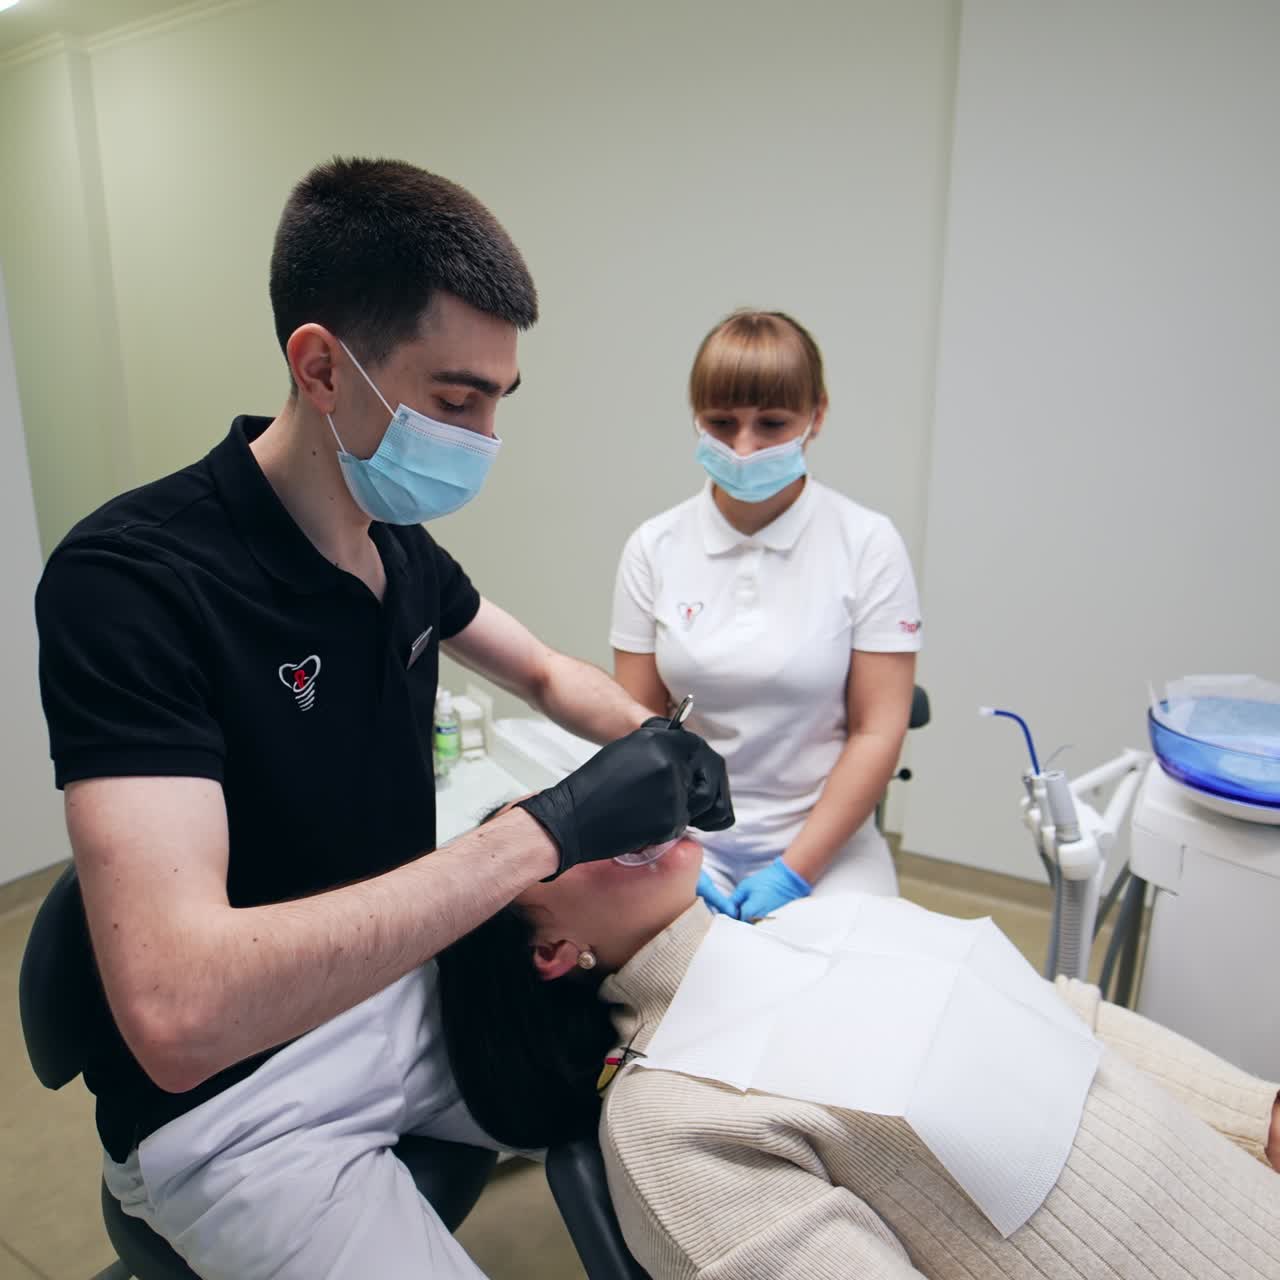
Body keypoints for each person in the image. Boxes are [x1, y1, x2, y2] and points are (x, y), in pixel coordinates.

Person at [33, 157, 733, 1280]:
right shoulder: (134, 581)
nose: (485, 436)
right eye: (457, 400)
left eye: (500, 399)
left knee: (687, 1081)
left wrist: (656, 743)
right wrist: (542, 829)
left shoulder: (391, 540)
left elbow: (547, 672)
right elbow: (175, 1007)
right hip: (233, 1102)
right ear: (320, 366)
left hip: (402, 991)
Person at [438, 810, 1280, 1280]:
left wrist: (1263, 1113)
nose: (589, 819)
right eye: (549, 841)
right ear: (550, 953)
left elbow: (1067, 1021)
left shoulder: (826, 920)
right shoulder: (668, 1120)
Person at [610, 310, 922, 923]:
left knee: (852, 984)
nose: (744, 447)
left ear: (817, 416)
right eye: (721, 423)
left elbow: (877, 730)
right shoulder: (655, 546)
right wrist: (672, 851)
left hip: (825, 840)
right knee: (669, 991)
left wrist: (793, 872)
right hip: (686, 837)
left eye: (772, 423)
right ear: (696, 418)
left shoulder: (867, 543)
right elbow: (637, 727)